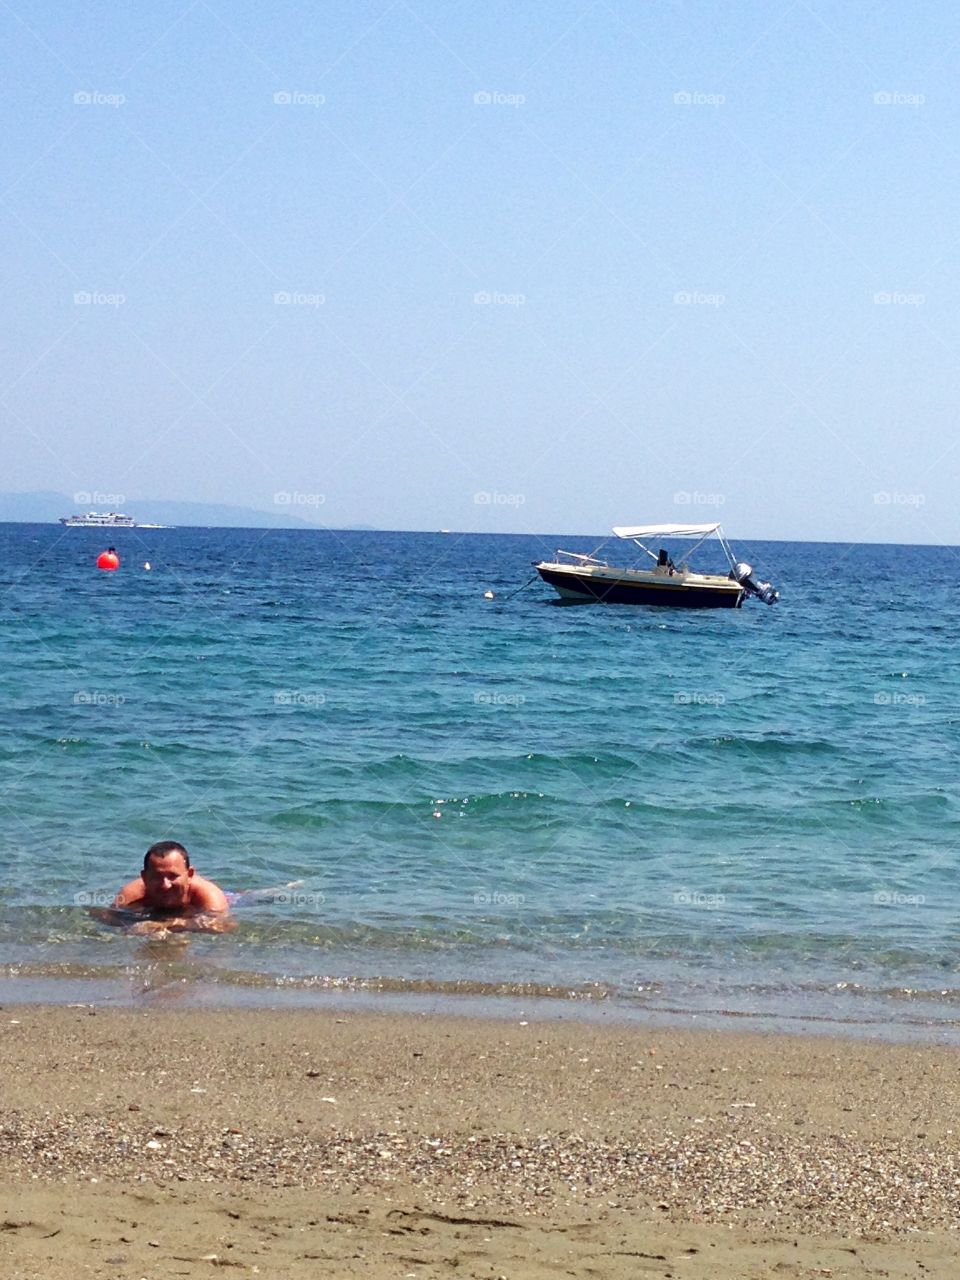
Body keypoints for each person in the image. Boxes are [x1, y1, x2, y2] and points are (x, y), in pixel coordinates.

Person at [111, 841, 234, 935]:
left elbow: (223, 926)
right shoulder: (131, 895)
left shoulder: (208, 894)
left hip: (232, 898)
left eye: (173, 876)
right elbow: (110, 919)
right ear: (144, 877)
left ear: (190, 874)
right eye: (157, 877)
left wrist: (167, 924)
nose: (165, 885)